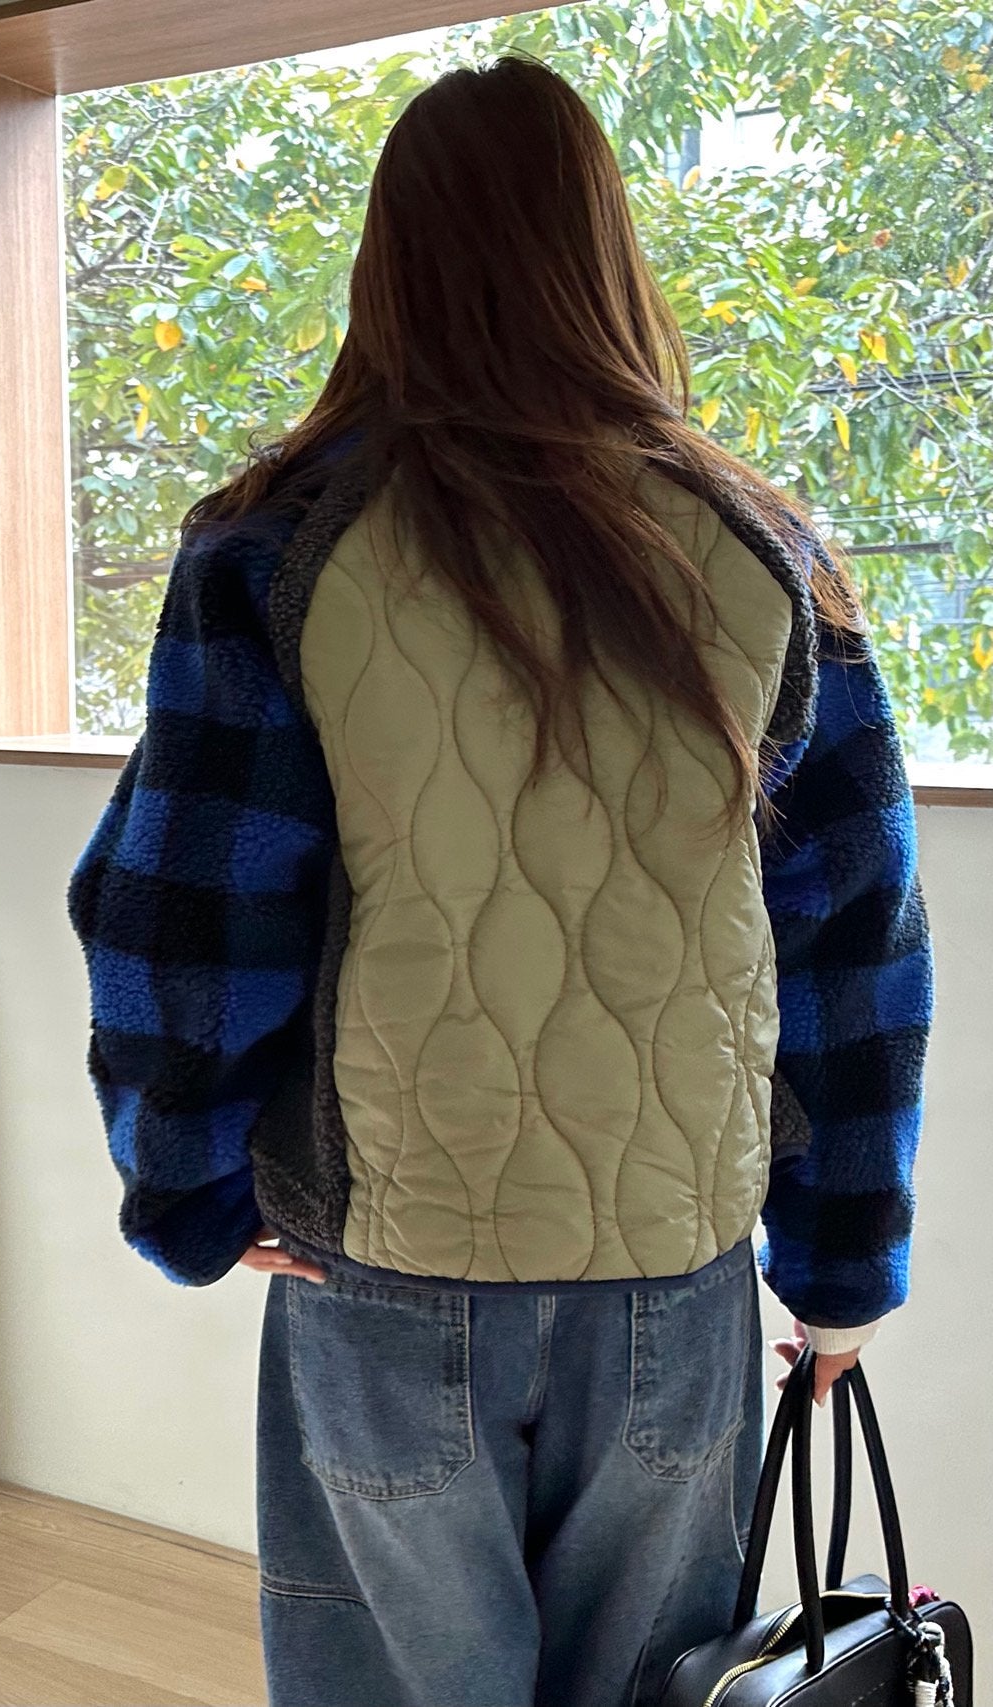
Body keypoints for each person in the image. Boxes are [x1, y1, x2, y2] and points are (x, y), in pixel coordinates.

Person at [67, 54, 932, 1707]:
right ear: (607, 255)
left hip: (385, 1269)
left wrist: (188, 1193)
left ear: (385, 265)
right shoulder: (767, 552)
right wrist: (842, 1269)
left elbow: (181, 916)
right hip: (673, 1279)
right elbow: (856, 947)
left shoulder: (273, 548)